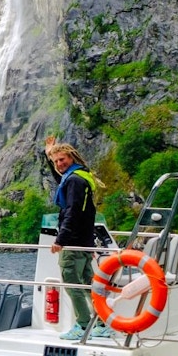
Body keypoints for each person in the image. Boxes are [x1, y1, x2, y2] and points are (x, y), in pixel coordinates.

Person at [46, 137, 110, 339]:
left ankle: (83, 325)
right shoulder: (79, 177)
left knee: (73, 284)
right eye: (56, 161)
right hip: (84, 241)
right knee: (87, 283)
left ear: (72, 157)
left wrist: (60, 240)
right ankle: (101, 323)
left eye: (62, 159)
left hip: (73, 242)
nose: (59, 164)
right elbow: (61, 181)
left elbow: (72, 212)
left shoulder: (73, 180)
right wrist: (49, 155)